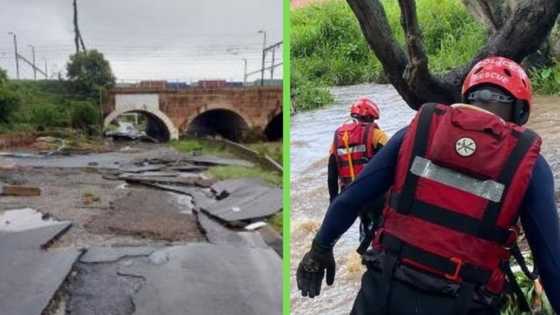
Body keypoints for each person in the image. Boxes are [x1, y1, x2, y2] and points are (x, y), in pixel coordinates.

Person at [296, 56, 560, 315]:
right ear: (521, 111)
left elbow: (350, 199)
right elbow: (551, 261)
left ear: (466, 96)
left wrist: (319, 251)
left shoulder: (417, 131)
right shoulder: (529, 162)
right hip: (465, 302)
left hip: (384, 289)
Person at [328, 97, 388, 247]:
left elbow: (332, 173)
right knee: (382, 229)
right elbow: (396, 157)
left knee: (365, 224)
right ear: (371, 118)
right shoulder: (377, 135)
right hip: (375, 196)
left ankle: (364, 250)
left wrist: (334, 200)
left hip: (351, 196)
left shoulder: (338, 138)